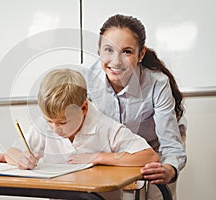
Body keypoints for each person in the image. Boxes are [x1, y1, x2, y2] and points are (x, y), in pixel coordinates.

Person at [0, 68, 158, 199]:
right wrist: (19, 157)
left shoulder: (105, 127)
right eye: (49, 121)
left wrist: (97, 157)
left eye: (62, 122)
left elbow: (148, 156)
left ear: (84, 108)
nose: (55, 128)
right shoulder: (44, 126)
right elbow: (14, 151)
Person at [80, 14, 187, 199]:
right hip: (112, 152)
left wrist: (170, 169)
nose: (116, 61)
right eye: (108, 50)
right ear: (98, 50)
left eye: (127, 51)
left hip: (156, 146)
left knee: (157, 192)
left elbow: (171, 145)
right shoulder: (85, 80)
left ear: (141, 54)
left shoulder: (157, 83)